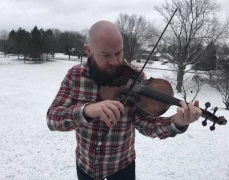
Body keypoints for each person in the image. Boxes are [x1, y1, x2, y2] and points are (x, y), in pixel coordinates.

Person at [46, 20, 202, 180]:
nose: (114, 61)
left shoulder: (136, 78)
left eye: (119, 53)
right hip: (86, 167)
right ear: (89, 50)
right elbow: (52, 119)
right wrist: (87, 111)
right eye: (105, 55)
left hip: (122, 168)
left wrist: (177, 122)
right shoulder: (75, 76)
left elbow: (146, 124)